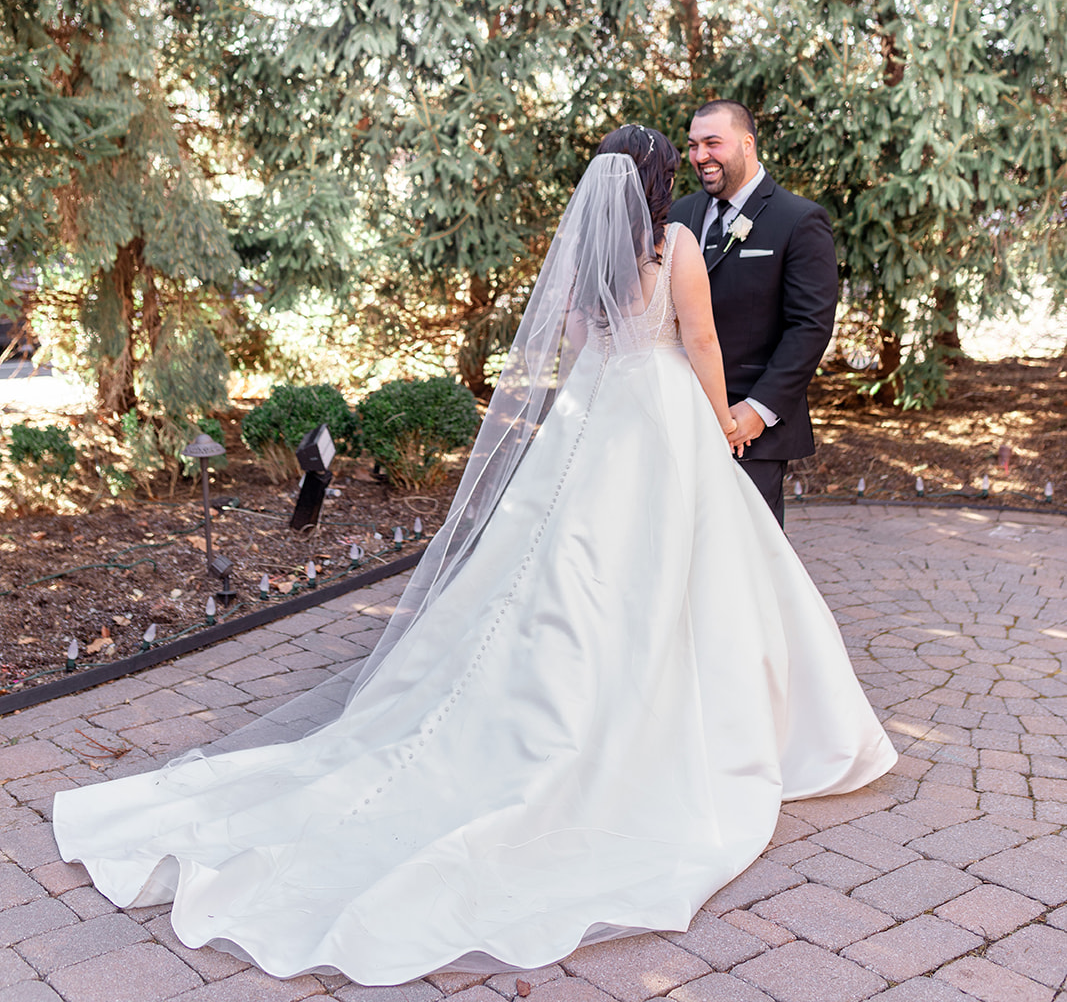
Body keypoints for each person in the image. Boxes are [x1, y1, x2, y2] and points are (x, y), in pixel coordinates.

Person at [52, 126, 894, 985]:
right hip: (667, 412)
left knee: (560, 569)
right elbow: (704, 342)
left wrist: (601, 387)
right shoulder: (673, 242)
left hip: (598, 414)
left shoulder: (599, 253)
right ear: (658, 181)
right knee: (676, 570)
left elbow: (573, 341)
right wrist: (720, 424)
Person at [668, 101, 838, 526]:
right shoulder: (678, 215)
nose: (700, 156)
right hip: (677, 416)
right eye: (692, 145)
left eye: (712, 143)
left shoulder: (799, 219)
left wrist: (757, 410)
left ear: (747, 144)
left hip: (751, 432)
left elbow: (810, 326)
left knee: (748, 559)